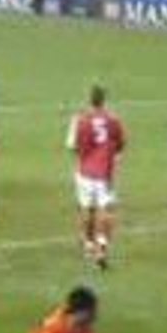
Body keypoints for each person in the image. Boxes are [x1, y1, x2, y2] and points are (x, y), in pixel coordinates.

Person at [66, 85, 126, 270]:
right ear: (104, 100)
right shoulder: (113, 119)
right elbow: (121, 143)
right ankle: (101, 247)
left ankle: (88, 245)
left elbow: (73, 146)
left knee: (86, 208)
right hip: (105, 172)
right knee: (106, 209)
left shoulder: (81, 119)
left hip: (85, 171)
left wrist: (85, 155)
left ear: (89, 100)